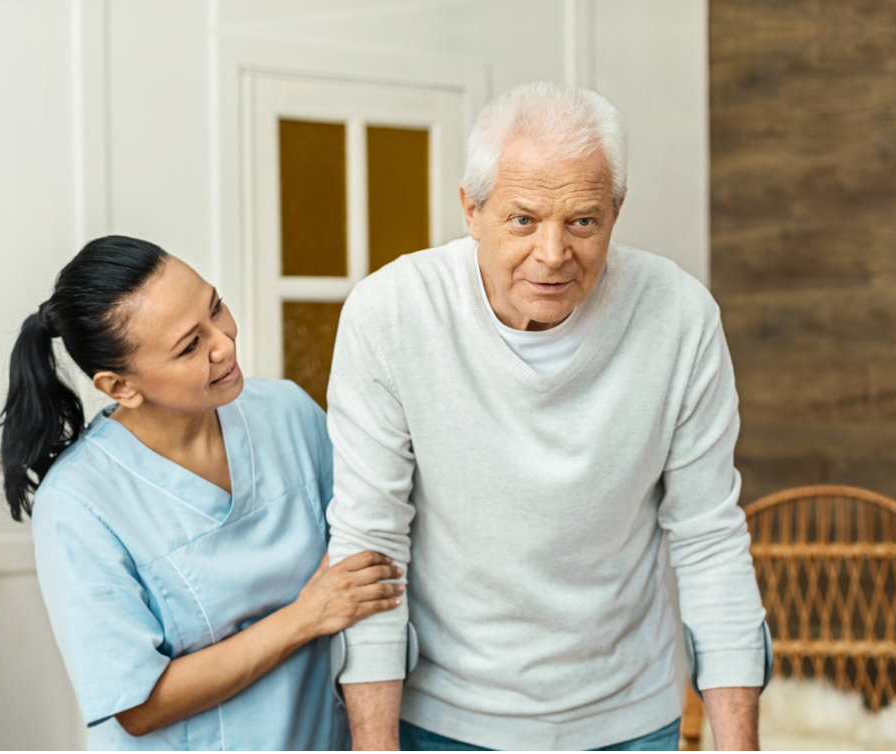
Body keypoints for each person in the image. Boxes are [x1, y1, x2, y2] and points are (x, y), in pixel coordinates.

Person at [326, 82, 770, 751]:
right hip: (444, 719)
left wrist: (739, 746)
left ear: (617, 212)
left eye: (583, 221)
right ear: (471, 210)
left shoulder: (681, 317)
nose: (554, 254)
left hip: (629, 716)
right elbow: (372, 546)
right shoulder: (391, 313)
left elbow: (709, 540)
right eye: (524, 220)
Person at [0, 235, 397, 750]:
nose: (224, 343)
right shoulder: (78, 503)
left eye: (216, 307)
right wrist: (305, 617)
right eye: (190, 345)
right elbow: (138, 706)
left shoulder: (288, 414)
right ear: (120, 387)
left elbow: (370, 548)